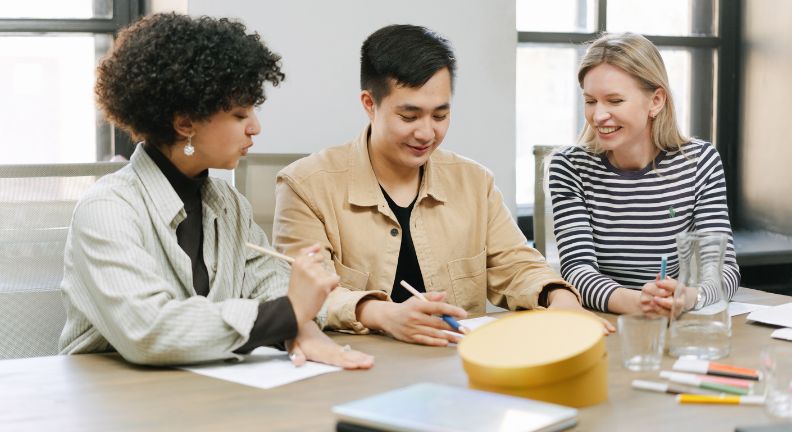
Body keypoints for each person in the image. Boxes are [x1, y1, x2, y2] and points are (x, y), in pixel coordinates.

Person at [58, 13, 373, 369]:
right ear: (185, 123)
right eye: (240, 115)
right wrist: (289, 312)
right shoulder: (107, 209)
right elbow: (149, 330)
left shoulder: (230, 206)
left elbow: (273, 285)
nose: (255, 127)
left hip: (201, 394)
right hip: (108, 404)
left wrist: (298, 327)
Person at [272, 24, 612, 347]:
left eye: (440, 115)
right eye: (409, 116)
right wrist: (382, 314)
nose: (426, 133)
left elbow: (517, 265)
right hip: (353, 369)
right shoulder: (305, 185)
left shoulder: (474, 182)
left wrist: (560, 297)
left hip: (456, 367)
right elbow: (304, 294)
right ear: (369, 104)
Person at [548, 32, 740, 316]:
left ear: (656, 101)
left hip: (675, 320)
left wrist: (690, 296)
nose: (598, 115)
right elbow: (577, 271)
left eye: (614, 101)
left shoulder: (700, 161)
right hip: (606, 322)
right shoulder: (569, 167)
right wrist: (640, 303)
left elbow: (723, 269)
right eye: (590, 101)